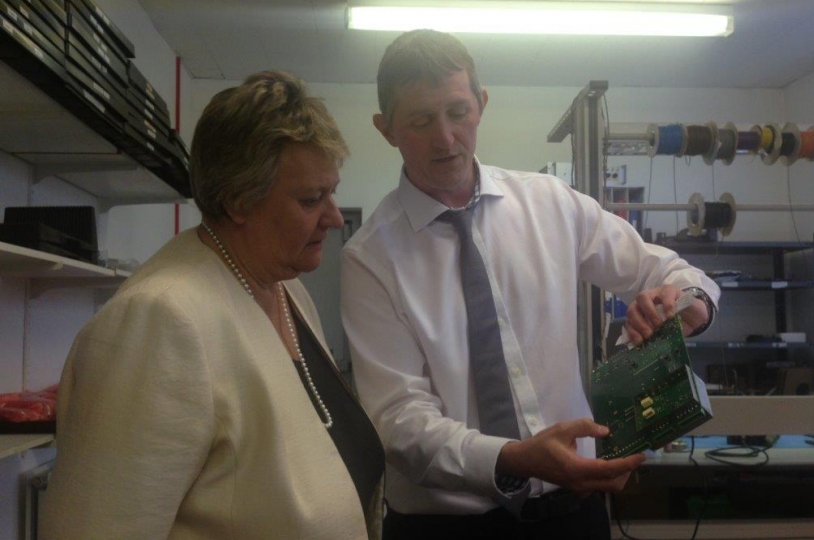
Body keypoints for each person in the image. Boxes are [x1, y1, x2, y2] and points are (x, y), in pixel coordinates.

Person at [341, 29, 719, 540]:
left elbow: (669, 271)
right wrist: (514, 458)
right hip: (444, 526)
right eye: (421, 120)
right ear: (386, 128)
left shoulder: (550, 204)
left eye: (457, 112)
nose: (445, 138)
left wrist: (687, 304)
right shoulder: (369, 257)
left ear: (482, 103)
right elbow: (399, 420)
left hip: (573, 515)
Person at [41, 70, 384, 540]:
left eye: (332, 190)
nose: (332, 216)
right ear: (238, 201)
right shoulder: (161, 319)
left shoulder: (285, 289)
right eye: (311, 199)